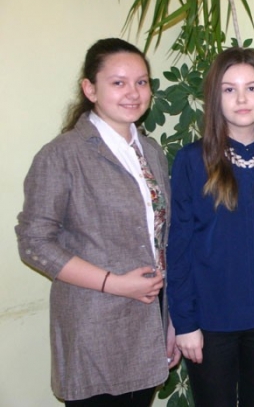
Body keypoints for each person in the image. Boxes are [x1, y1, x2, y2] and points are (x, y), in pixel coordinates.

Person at [16, 38, 180, 406]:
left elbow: (160, 240)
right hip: (95, 326)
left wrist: (169, 321)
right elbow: (34, 242)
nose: (133, 93)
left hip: (149, 321)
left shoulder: (151, 152)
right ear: (90, 89)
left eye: (141, 82)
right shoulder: (62, 155)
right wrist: (114, 283)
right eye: (118, 82)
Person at [166, 47, 254, 406]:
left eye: (251, 88)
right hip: (210, 323)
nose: (242, 99)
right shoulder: (191, 161)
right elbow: (178, 249)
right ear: (215, 97)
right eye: (229, 89)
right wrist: (184, 322)